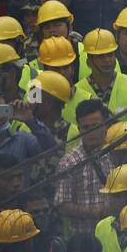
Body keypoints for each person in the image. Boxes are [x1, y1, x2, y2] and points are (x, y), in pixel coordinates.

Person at [54, 99, 114, 239]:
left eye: (96, 126)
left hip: (117, 237)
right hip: (86, 238)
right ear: (79, 129)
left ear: (106, 125)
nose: (91, 132)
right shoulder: (69, 162)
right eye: (86, 128)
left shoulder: (117, 152)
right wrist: (96, 212)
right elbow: (62, 205)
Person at [69, 28, 127, 124]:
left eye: (110, 55)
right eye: (100, 56)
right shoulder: (77, 92)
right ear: (89, 62)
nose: (107, 60)